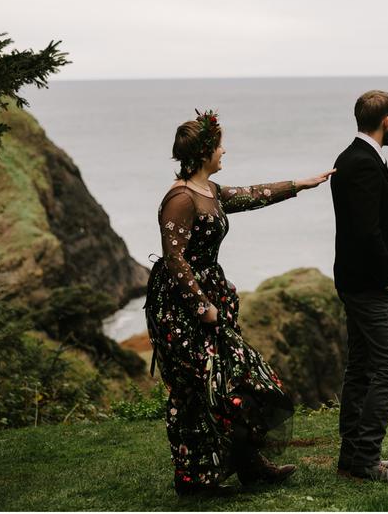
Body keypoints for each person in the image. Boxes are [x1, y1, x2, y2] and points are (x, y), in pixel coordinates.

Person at [144, 109, 335, 496]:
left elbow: (252, 195)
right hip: (180, 308)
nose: (224, 151)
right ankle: (193, 480)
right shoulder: (179, 199)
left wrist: (299, 184)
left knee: (237, 379)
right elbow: (175, 259)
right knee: (195, 389)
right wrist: (202, 306)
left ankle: (248, 463)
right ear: (203, 153)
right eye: (219, 146)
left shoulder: (209, 192)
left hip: (209, 298)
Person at [330, 90, 388, 483]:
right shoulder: (362, 162)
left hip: (354, 280)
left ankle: (351, 456)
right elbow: (365, 231)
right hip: (368, 284)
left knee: (361, 368)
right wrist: (387, 276)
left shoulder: (352, 157)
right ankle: (365, 458)